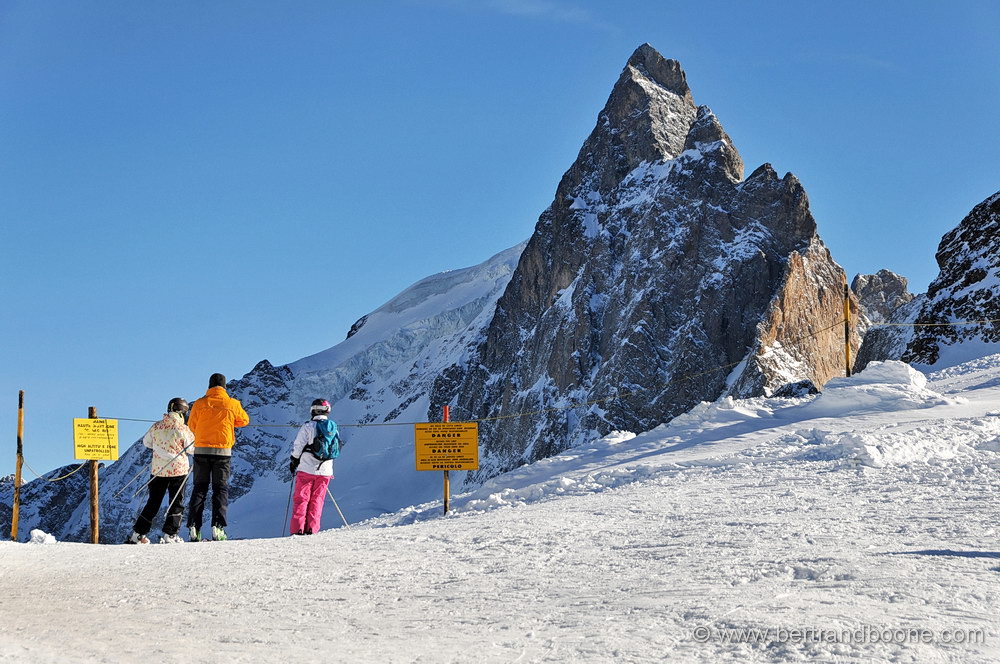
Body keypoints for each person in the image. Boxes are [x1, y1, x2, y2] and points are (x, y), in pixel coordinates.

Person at [186, 373, 249, 542]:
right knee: (220, 489)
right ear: (224, 387)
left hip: (201, 450)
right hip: (222, 452)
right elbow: (244, 420)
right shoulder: (232, 403)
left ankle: (194, 526)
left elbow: (191, 425)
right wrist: (229, 421)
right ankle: (218, 527)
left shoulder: (199, 404)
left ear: (209, 386)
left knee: (199, 488)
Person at [126, 398, 195, 545]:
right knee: (176, 503)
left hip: (158, 470)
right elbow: (191, 448)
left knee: (153, 503)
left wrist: (160, 449)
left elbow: (146, 442)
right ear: (182, 412)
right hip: (178, 470)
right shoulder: (183, 429)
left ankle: (138, 534)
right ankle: (170, 534)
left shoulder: (156, 426)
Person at [289, 399, 344, 535]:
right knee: (317, 501)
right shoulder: (333, 427)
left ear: (313, 410)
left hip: (307, 468)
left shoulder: (308, 426)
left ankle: (298, 530)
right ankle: (312, 530)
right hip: (325, 470)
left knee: (301, 499)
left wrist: (294, 461)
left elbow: (298, 446)